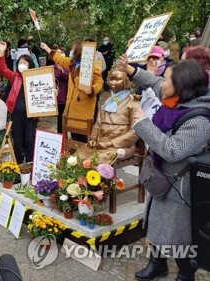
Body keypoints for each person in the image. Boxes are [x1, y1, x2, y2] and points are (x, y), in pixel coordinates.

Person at [131, 60, 210, 281]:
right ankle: (157, 265)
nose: (162, 83)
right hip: (162, 179)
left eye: (167, 78)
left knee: (178, 235)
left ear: (181, 84)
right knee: (156, 224)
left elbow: (174, 150)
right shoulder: (176, 100)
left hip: (179, 187)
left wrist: (143, 124)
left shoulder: (200, 120)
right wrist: (133, 71)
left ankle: (186, 274)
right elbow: (154, 83)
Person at [40, 41, 104, 142]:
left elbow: (99, 82)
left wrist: (92, 89)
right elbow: (59, 59)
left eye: (72, 50)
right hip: (72, 106)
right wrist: (47, 48)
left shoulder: (91, 67)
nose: (70, 51)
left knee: (84, 134)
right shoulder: (72, 63)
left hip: (84, 107)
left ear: (78, 52)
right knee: (73, 132)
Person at [77, 65, 140, 164]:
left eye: (117, 79)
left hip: (120, 146)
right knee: (79, 156)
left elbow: (135, 131)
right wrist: (93, 139)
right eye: (111, 79)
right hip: (100, 142)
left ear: (127, 81)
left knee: (97, 161)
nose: (113, 82)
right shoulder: (107, 102)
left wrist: (109, 143)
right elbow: (98, 124)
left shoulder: (133, 103)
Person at [0, 41, 39, 163]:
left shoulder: (35, 78)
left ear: (30, 64)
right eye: (20, 62)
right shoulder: (14, 76)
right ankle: (19, 164)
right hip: (16, 114)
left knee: (30, 141)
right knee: (17, 141)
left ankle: (31, 164)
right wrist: (2, 51)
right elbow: (2, 68)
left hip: (31, 116)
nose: (22, 64)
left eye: (25, 62)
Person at [54, 47, 69, 133]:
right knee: (60, 119)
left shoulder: (68, 66)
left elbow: (69, 77)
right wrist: (60, 70)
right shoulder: (53, 67)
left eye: (62, 52)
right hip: (59, 98)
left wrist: (63, 70)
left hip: (68, 96)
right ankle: (60, 136)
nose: (60, 54)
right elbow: (55, 76)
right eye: (58, 52)